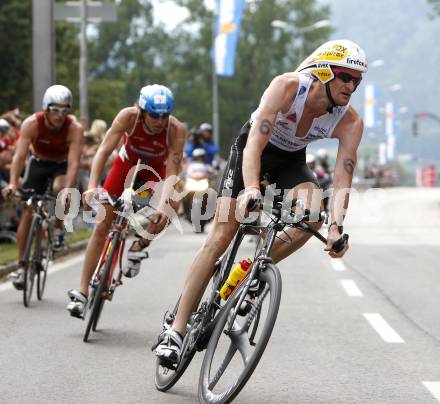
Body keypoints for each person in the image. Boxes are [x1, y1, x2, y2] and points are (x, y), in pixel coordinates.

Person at [154, 39, 367, 367]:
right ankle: (176, 330)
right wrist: (251, 188)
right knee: (221, 236)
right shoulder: (287, 87)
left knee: (313, 217)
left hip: (290, 162)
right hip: (251, 153)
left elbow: (343, 175)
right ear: (324, 72)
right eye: (345, 77)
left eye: (358, 80)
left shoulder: (349, 120)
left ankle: (251, 275)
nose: (352, 86)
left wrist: (338, 226)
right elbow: (255, 142)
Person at [66, 84, 186, 318]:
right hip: (127, 164)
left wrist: (161, 203)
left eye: (165, 115)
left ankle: (139, 247)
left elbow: (172, 168)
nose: (160, 121)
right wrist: (92, 186)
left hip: (155, 169)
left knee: (172, 205)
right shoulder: (128, 117)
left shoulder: (176, 130)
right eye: (154, 115)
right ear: (141, 111)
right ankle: (82, 291)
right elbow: (103, 151)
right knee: (102, 225)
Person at [1, 85, 84, 290]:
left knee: (59, 188)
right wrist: (12, 183)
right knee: (28, 211)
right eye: (55, 109)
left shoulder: (75, 129)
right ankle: (22, 267)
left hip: (62, 165)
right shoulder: (32, 123)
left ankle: (57, 229)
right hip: (38, 162)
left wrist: (68, 192)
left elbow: (74, 163)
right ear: (46, 108)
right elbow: (20, 156)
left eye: (65, 110)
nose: (59, 115)